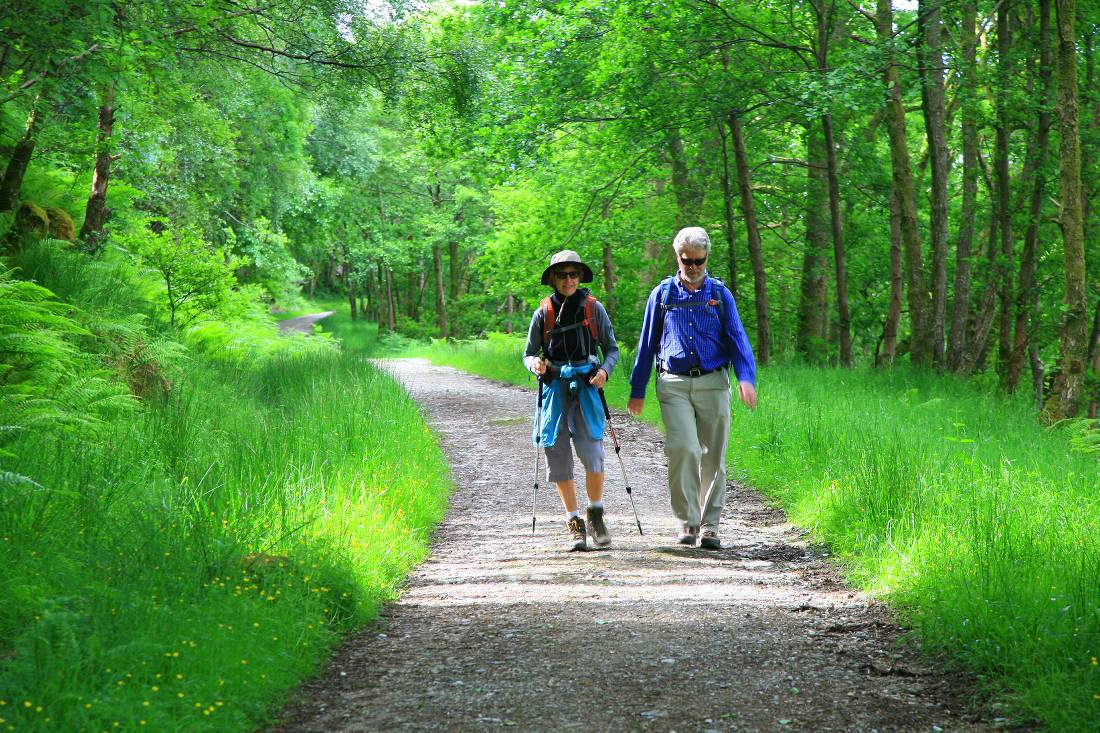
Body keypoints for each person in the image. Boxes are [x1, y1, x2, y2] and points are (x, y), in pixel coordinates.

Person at [627, 227, 757, 550]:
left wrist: (746, 378)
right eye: (688, 261)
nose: (694, 267)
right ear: (678, 258)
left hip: (713, 381)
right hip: (672, 382)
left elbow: (738, 339)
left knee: (714, 455)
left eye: (700, 261)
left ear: (706, 258)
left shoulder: (720, 295)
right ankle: (687, 520)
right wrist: (638, 388)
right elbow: (646, 344)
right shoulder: (662, 295)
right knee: (683, 448)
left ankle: (710, 526)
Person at [523, 250, 620, 551]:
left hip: (587, 389)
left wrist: (605, 371)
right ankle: (574, 522)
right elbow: (528, 353)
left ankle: (596, 512)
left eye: (573, 274)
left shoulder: (594, 309)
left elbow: (612, 350)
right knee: (557, 455)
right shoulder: (543, 313)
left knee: (593, 453)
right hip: (555, 391)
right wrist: (535, 366)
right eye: (562, 274)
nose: (568, 280)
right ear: (552, 279)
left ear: (580, 277)